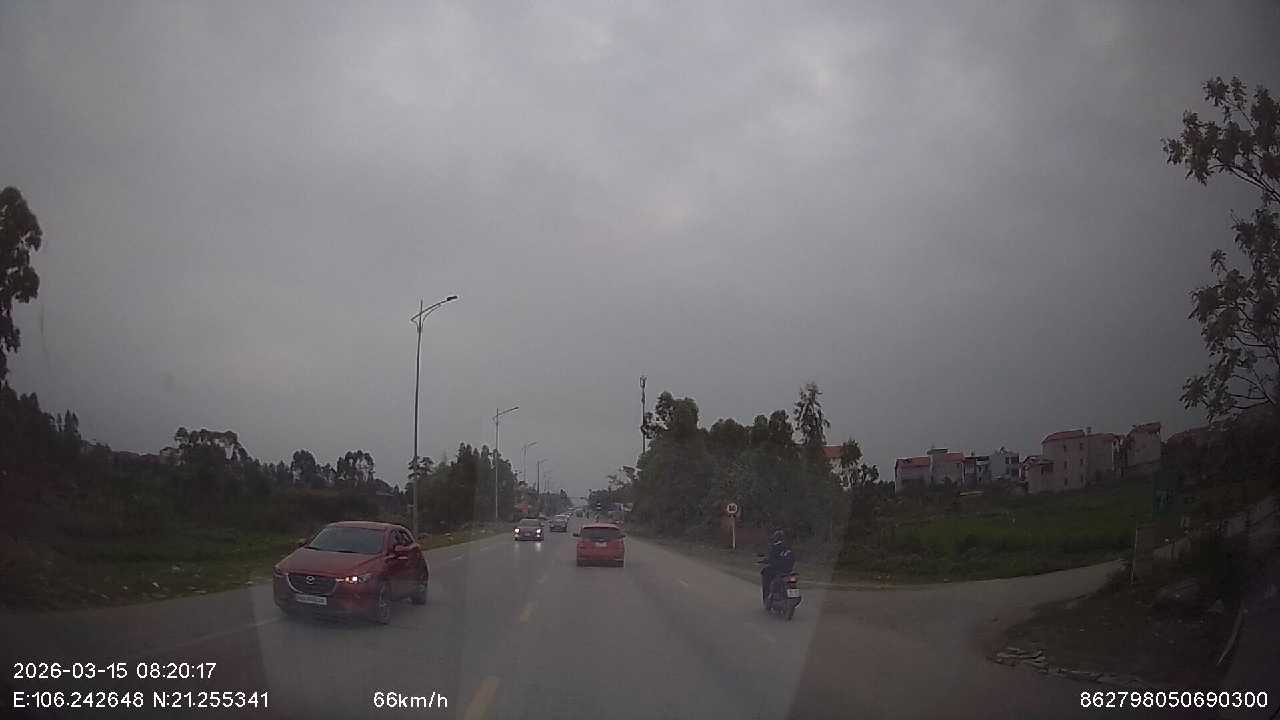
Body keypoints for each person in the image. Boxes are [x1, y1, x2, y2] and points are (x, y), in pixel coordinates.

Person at [760, 529, 795, 607]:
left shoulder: (775, 547)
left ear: (775, 538)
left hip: (777, 570)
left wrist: (765, 560)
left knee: (765, 573)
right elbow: (793, 557)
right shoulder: (788, 547)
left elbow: (770, 558)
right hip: (788, 571)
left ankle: (767, 596)